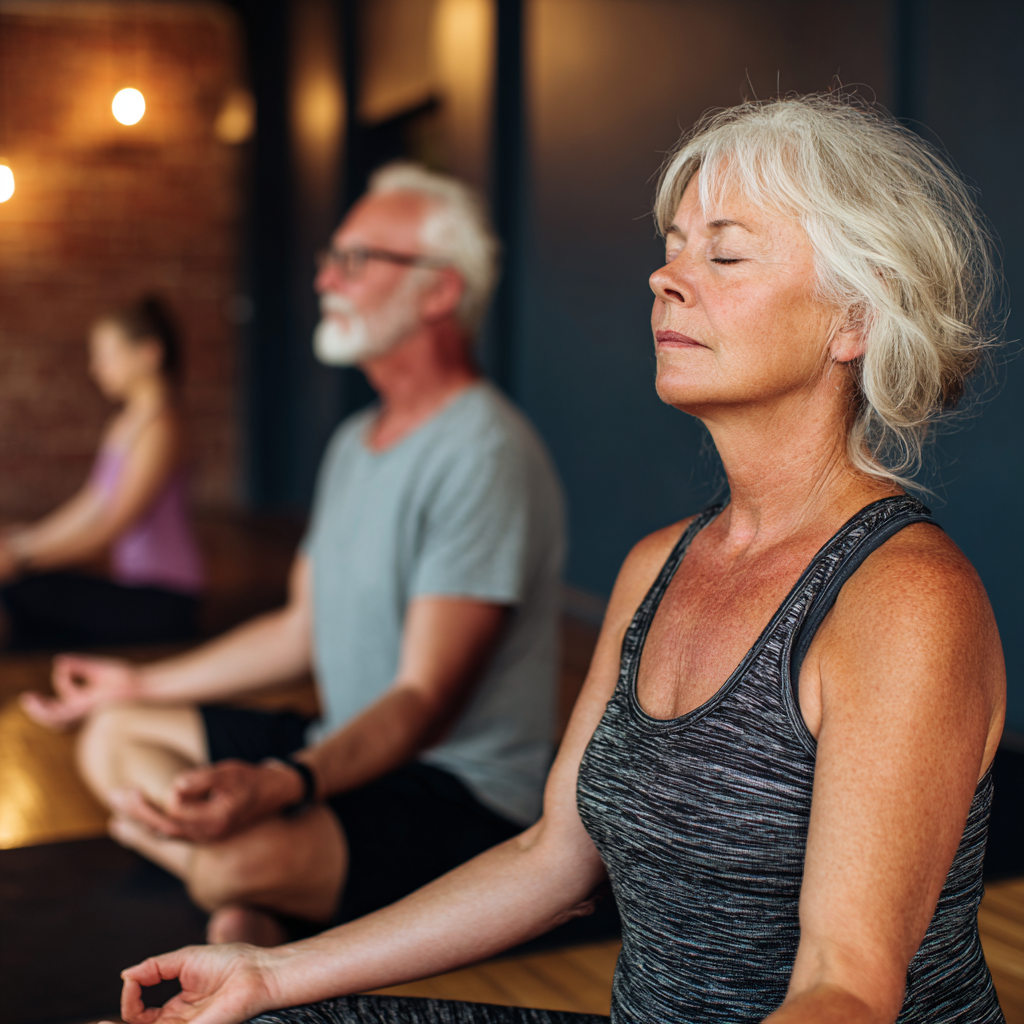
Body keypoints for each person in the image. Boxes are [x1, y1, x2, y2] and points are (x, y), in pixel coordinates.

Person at [111, 95, 1006, 1024]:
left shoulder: (904, 598)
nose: (667, 278)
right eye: (673, 245)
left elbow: (846, 988)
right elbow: (551, 859)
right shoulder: (658, 565)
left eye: (725, 254)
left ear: (854, 320)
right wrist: (273, 972)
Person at [22, 163, 566, 949]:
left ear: (439, 292)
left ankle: (229, 879)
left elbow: (423, 701)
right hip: (342, 742)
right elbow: (298, 628)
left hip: (458, 794)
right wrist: (140, 680)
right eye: (329, 257)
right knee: (111, 731)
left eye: (355, 260)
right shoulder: (354, 443)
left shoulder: (485, 452)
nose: (323, 276)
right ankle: (246, 881)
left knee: (235, 864)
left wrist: (281, 785)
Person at [0, 296, 204, 649]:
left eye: (107, 355)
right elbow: (92, 503)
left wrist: (22, 558)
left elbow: (112, 524)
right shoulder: (124, 423)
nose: (96, 368)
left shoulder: (163, 427)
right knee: (22, 592)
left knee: (21, 592)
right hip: (133, 585)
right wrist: (21, 541)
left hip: (165, 598)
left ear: (148, 354)